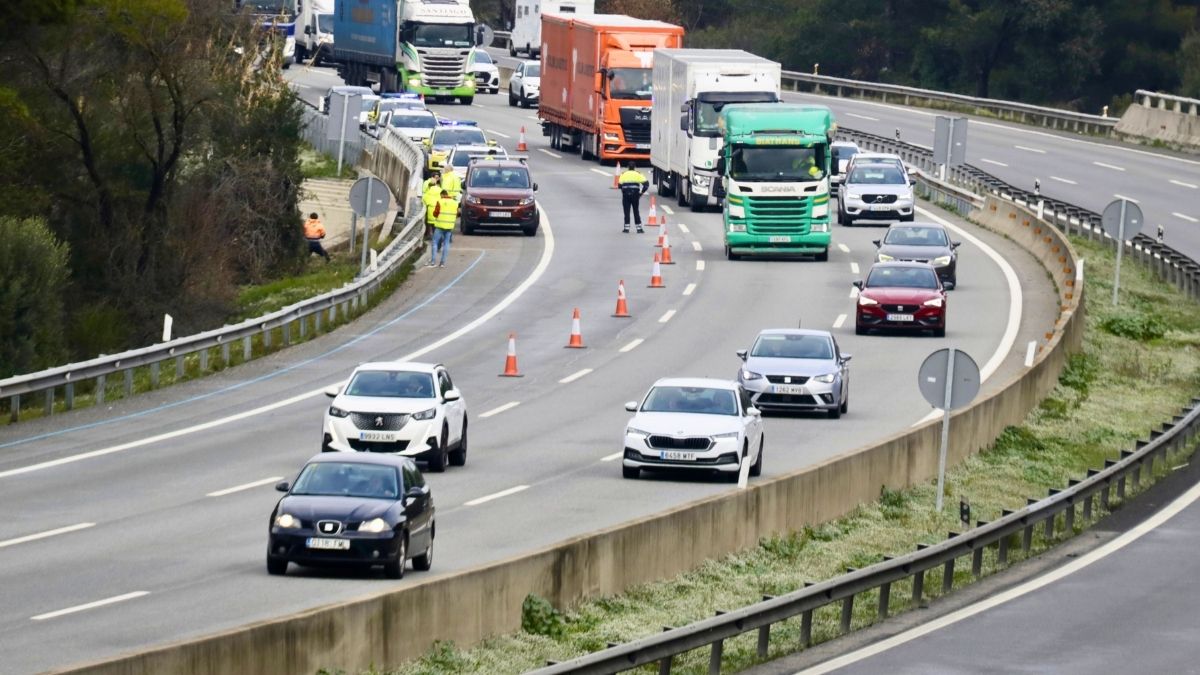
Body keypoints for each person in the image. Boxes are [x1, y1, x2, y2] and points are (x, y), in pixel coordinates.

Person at [617, 163, 649, 233]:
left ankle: (626, 229)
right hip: (635, 195)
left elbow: (619, 185)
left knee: (626, 212)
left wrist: (624, 190)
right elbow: (646, 185)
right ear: (635, 167)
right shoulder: (638, 174)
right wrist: (641, 193)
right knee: (636, 211)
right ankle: (639, 229)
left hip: (626, 195)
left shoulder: (623, 174)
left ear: (628, 167)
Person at [430, 188, 457, 267]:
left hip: (440, 226)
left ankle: (433, 261)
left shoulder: (440, 202)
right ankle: (442, 263)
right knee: (446, 244)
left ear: (442, 195)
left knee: (435, 242)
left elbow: (435, 213)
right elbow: (456, 214)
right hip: (449, 226)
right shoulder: (455, 203)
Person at [421, 171, 441, 240]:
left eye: (438, 177)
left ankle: (428, 235)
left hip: (430, 207)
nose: (437, 179)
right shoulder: (439, 189)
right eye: (436, 177)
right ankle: (436, 237)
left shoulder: (428, 189)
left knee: (429, 223)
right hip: (437, 207)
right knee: (435, 224)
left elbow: (424, 197)